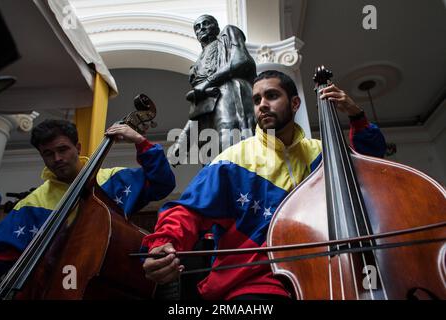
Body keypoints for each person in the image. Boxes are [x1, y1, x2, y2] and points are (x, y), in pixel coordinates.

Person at [142, 70, 386, 300]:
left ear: (294, 104)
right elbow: (188, 211)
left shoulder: (324, 153)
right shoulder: (234, 158)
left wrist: (357, 116)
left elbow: (371, 168)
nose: (262, 105)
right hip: (255, 283)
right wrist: (164, 243)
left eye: (272, 96)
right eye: (257, 99)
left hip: (327, 275)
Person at [0, 119, 175, 282]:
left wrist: (140, 142)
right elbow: (1, 256)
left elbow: (163, 183)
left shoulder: (112, 179)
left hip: (117, 279)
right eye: (48, 153)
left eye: (63, 149)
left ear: (78, 147)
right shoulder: (31, 205)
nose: (57, 158)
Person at [169, 14, 257, 163]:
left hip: (230, 96)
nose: (201, 28)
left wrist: (208, 82)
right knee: (213, 162)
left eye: (206, 24)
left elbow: (241, 60)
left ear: (216, 27)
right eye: (197, 27)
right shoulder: (195, 68)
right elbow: (199, 107)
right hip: (207, 119)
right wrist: (182, 141)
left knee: (233, 145)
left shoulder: (227, 34)